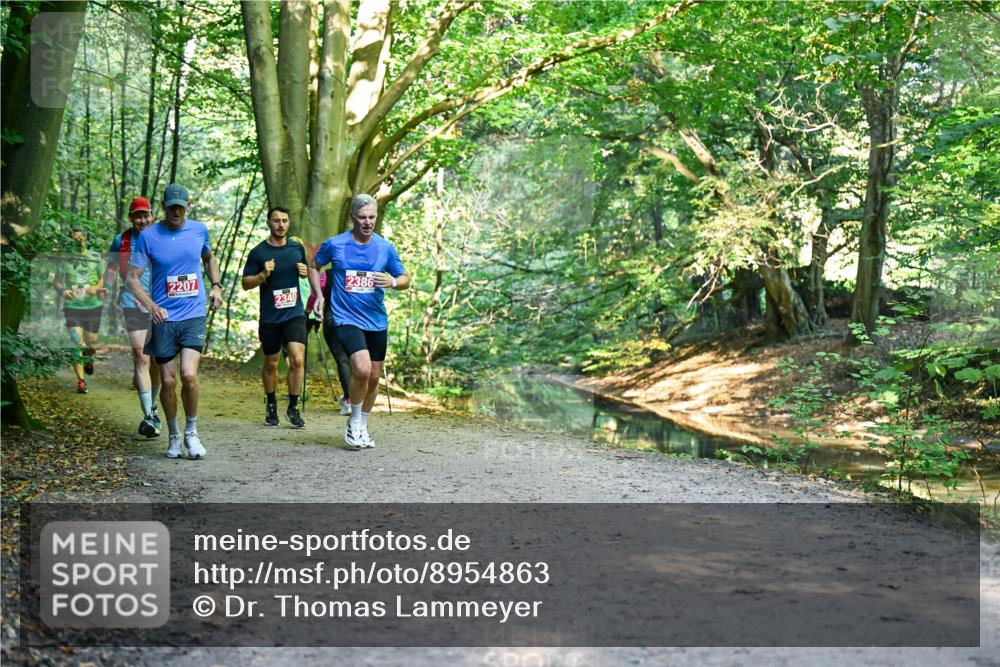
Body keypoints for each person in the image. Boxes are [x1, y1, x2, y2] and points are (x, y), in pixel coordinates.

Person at [126, 183, 223, 460]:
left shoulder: (199, 230)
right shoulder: (149, 236)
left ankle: (192, 433)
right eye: (172, 207)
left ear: (188, 206)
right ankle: (173, 435)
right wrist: (151, 306)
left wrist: (216, 285)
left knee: (189, 375)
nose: (176, 211)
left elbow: (209, 257)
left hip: (193, 313)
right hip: (164, 318)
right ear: (164, 207)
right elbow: (132, 279)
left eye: (181, 206)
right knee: (168, 382)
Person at [309, 194, 410, 450]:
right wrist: (319, 295)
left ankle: (362, 424)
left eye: (372, 217)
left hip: (376, 319)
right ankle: (354, 422)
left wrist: (394, 282)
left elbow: (405, 278)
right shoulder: (335, 244)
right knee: (362, 369)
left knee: (374, 376)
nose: (368, 222)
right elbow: (314, 265)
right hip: (345, 317)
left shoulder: (385, 248)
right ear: (353, 217)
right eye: (363, 217)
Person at [241, 207, 308, 428]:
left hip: (294, 313)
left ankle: (293, 406)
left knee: (297, 359)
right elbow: (245, 283)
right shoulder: (259, 252)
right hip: (271, 316)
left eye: (285, 221)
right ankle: (271, 403)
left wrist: (305, 272)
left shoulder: (297, 248)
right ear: (269, 223)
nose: (281, 225)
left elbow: (309, 271)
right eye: (276, 221)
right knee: (271, 363)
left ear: (289, 223)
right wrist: (262, 274)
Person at [102, 197, 161, 437]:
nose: (142, 220)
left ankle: (154, 406)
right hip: (132, 301)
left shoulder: (162, 237)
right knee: (141, 356)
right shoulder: (122, 240)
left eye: (145, 215)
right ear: (131, 218)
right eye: (137, 216)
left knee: (159, 360)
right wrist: (105, 286)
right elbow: (112, 267)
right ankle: (148, 415)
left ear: (152, 215)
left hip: (161, 303)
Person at [55, 226, 107, 394]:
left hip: (93, 306)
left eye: (80, 238)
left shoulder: (95, 257)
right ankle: (81, 381)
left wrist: (95, 287)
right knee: (75, 342)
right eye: (74, 238)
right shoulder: (64, 259)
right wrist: (63, 291)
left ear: (85, 239)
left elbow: (103, 279)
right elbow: (57, 282)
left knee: (90, 342)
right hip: (72, 307)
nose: (77, 241)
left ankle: (88, 357)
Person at [306, 269, 353, 416]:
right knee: (358, 360)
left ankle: (349, 401)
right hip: (357, 320)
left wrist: (308, 312)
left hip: (332, 318)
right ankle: (357, 399)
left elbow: (314, 296)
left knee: (342, 360)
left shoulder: (327, 274)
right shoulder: (358, 273)